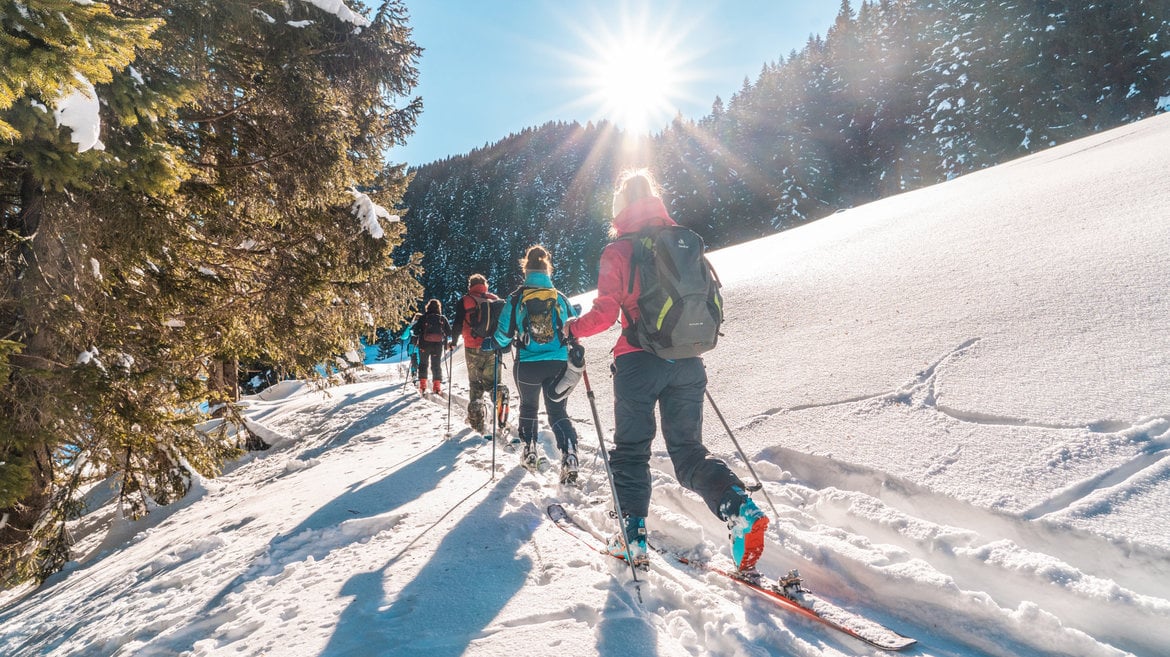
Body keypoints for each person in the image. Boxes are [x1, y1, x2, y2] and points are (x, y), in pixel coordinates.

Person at [564, 169, 769, 572]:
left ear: (621, 205)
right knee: (689, 453)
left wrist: (571, 328)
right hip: (688, 360)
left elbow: (606, 314)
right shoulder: (684, 242)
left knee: (631, 452)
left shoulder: (619, 249)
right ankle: (739, 507)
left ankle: (631, 537)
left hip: (638, 362)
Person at [492, 245, 581, 482]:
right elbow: (574, 328)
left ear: (526, 270)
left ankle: (530, 449)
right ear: (547, 270)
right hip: (558, 363)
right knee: (558, 411)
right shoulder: (560, 297)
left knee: (529, 407)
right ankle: (569, 453)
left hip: (527, 364)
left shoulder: (516, 297)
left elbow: (503, 332)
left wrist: (495, 343)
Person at [450, 273, 510, 437]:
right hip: (493, 346)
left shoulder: (466, 300)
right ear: (485, 285)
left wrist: (453, 341)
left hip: (472, 347)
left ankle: (476, 423)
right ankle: (500, 395)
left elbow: (457, 323)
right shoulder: (494, 299)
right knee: (494, 383)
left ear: (470, 285)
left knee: (476, 385)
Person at [411, 299, 451, 395]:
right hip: (437, 345)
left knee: (423, 364)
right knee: (436, 365)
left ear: (427, 307)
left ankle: (423, 386)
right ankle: (436, 387)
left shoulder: (423, 318)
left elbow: (415, 332)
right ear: (438, 308)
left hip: (424, 344)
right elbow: (449, 332)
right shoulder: (442, 318)